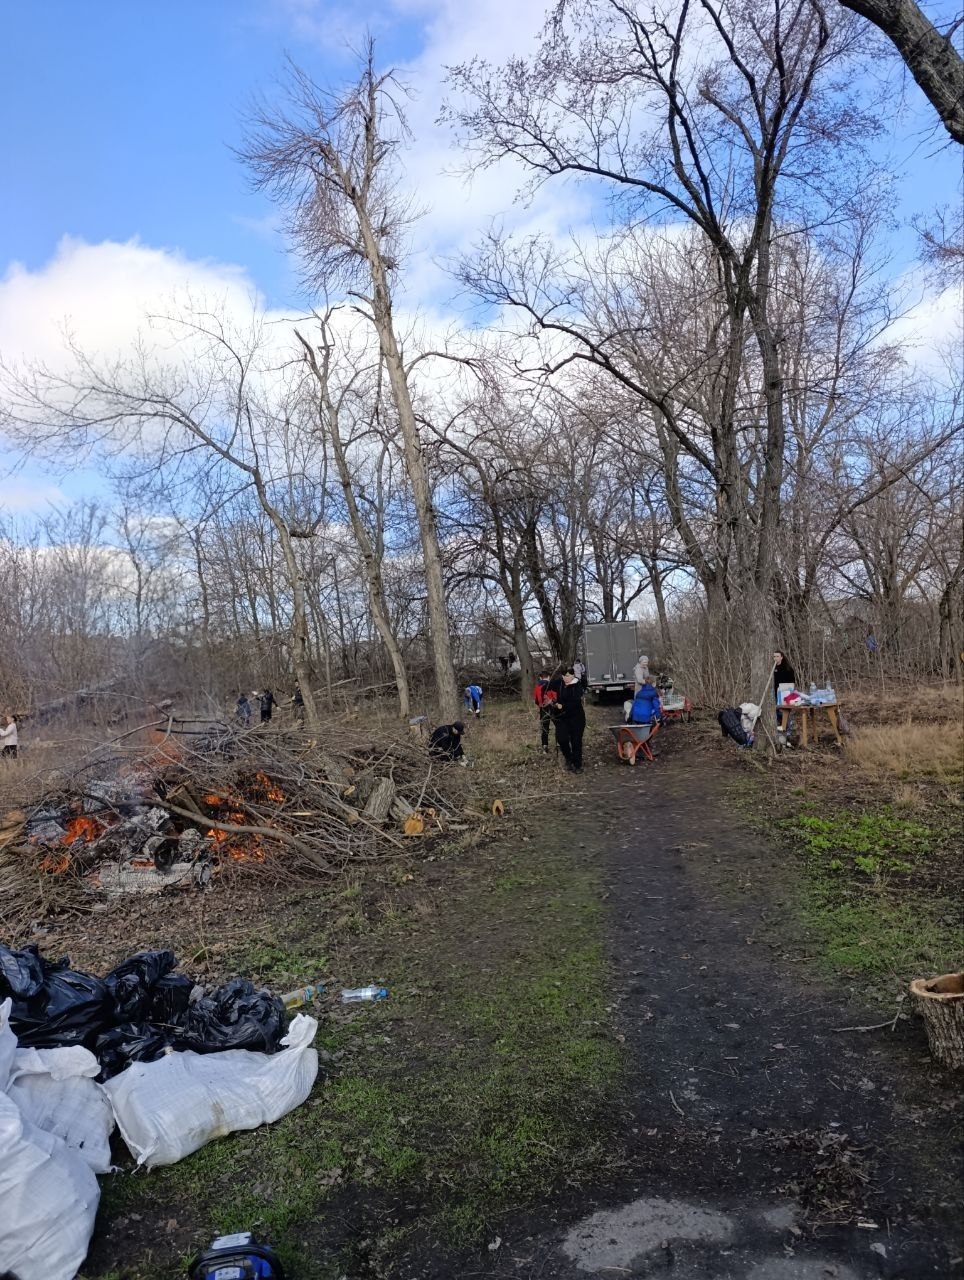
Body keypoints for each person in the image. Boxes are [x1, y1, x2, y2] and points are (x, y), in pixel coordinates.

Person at [553, 670, 586, 773]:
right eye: (563, 676)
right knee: (561, 739)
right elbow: (547, 688)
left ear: (572, 676)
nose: (565, 678)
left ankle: (577, 765)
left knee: (576, 741)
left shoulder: (577, 686)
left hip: (576, 718)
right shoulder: (559, 684)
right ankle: (569, 758)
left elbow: (575, 702)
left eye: (567, 676)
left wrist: (562, 706)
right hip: (562, 718)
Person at [532, 670, 558, 754]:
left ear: (540, 677)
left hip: (543, 709)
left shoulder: (537, 686)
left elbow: (536, 700)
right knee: (558, 726)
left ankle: (545, 747)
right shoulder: (552, 684)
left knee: (544, 729)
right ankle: (558, 745)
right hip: (553, 709)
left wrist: (541, 705)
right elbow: (555, 697)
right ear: (548, 677)